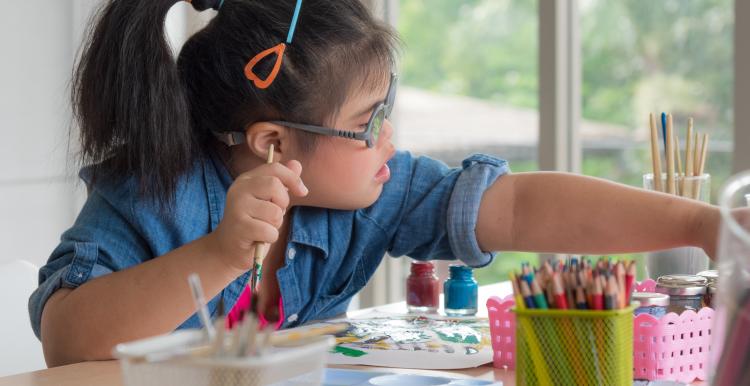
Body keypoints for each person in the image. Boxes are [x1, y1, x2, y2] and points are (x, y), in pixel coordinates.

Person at [29, 0, 720, 366]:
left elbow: (515, 209)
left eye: (386, 111)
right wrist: (218, 256)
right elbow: (68, 339)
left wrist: (700, 226)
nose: (386, 140)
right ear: (274, 145)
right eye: (366, 123)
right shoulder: (153, 192)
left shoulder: (365, 192)